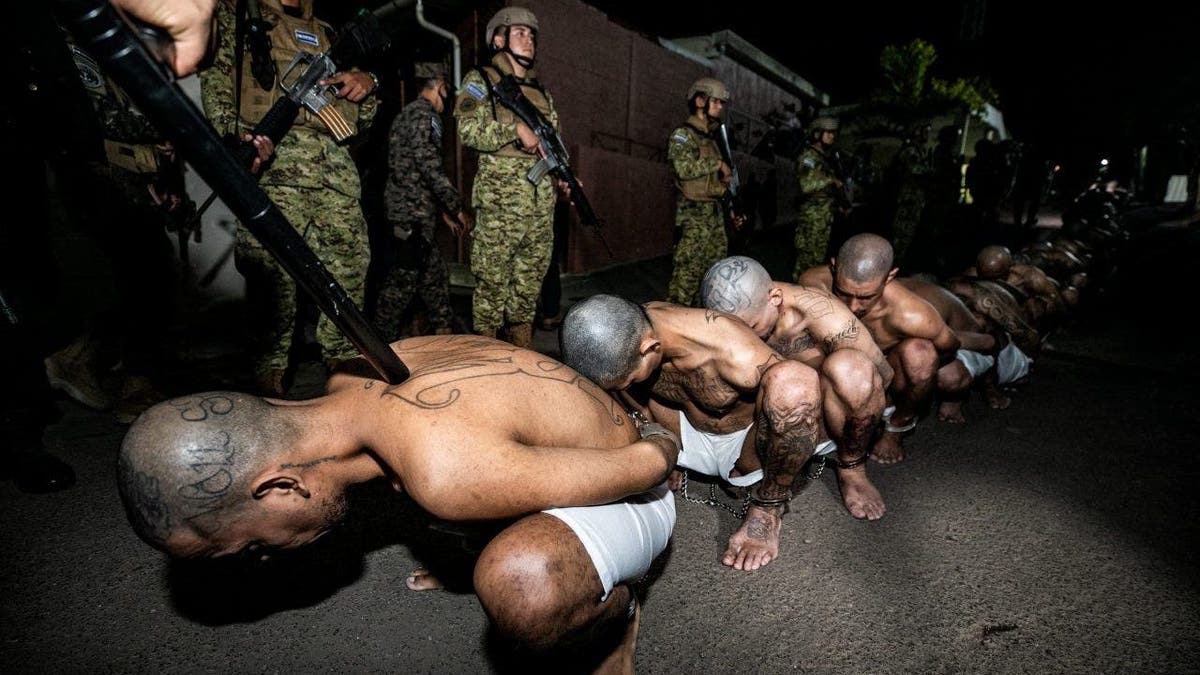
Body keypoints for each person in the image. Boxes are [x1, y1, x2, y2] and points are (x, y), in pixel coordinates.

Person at [117, 335, 678, 671]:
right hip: (540, 453)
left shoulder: (441, 469)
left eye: (250, 545)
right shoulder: (349, 371)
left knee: (522, 587)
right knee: (437, 491)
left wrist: (653, 434)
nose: (263, 557)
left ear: (280, 486)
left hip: (636, 486)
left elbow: (646, 468)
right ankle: (496, 522)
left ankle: (618, 615)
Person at [560, 294, 824, 572]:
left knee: (795, 386)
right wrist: (654, 434)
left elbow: (799, 413)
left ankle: (768, 510)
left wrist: (772, 494)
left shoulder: (736, 352)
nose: (627, 385)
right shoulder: (628, 327)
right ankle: (665, 448)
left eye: (630, 380)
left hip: (743, 445)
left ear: (650, 348)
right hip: (682, 431)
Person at [200, 0, 381, 396]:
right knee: (273, 283)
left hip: (335, 177)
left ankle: (346, 376)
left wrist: (367, 84)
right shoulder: (242, 19)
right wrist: (235, 143)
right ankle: (269, 380)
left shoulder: (329, 34)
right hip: (272, 170)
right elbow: (218, 82)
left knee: (347, 274)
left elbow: (360, 120)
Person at [699, 256, 892, 521]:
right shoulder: (718, 312)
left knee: (853, 369)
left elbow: (880, 377)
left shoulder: (827, 318)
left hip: (817, 412)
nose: (742, 336)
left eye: (751, 327)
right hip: (754, 413)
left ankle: (852, 468)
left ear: (775, 298)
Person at [799, 234, 960, 464]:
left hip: (889, 375)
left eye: (866, 297)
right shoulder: (814, 283)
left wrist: (905, 381)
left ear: (890, 277)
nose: (853, 307)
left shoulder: (913, 314)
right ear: (834, 268)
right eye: (844, 293)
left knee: (922, 355)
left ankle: (897, 426)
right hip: (835, 368)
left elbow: (950, 346)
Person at [453, 7, 561, 348]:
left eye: (532, 35)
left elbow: (553, 142)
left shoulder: (541, 92)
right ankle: (485, 355)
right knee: (492, 286)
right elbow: (467, 129)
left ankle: (520, 351)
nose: (529, 39)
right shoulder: (480, 80)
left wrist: (565, 177)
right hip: (501, 203)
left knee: (529, 284)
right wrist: (513, 130)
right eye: (520, 33)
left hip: (540, 205)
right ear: (499, 39)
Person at [375, 62, 472, 340]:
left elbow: (413, 169)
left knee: (434, 275)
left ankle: (443, 329)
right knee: (403, 281)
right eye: (447, 91)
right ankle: (379, 340)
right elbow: (428, 166)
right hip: (411, 214)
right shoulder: (425, 115)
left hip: (415, 210)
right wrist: (455, 207)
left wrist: (441, 210)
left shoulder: (407, 115)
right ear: (441, 86)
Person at [665, 77, 743, 306]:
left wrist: (731, 211)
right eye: (716, 102)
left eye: (722, 103)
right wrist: (717, 164)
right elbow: (682, 168)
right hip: (693, 219)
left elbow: (722, 183)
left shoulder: (713, 139)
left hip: (714, 217)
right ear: (700, 100)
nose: (720, 107)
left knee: (714, 282)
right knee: (684, 283)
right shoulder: (683, 135)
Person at [895, 276, 1000, 423]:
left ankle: (957, 397)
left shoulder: (921, 316)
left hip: (980, 347)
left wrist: (990, 387)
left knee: (948, 375)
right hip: (945, 334)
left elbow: (991, 343)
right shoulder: (878, 291)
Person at [794, 116, 848, 282]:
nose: (832, 136)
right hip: (812, 216)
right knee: (806, 261)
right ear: (817, 134)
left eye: (834, 133)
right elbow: (806, 185)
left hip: (823, 215)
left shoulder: (825, 158)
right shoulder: (809, 157)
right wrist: (831, 181)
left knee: (817, 260)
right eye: (828, 132)